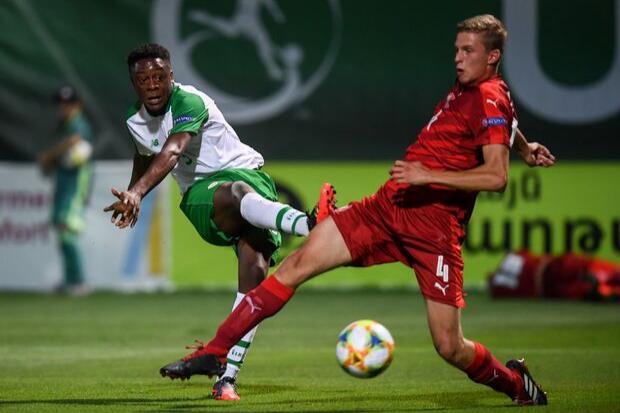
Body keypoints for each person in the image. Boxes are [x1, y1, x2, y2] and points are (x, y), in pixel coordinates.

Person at [158, 15, 557, 406]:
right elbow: (502, 124)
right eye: (456, 49)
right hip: (386, 208)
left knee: (449, 346)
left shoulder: (489, 94)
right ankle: (217, 351)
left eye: (468, 50)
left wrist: (424, 174)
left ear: (492, 57)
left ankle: (516, 385)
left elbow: (495, 177)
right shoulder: (474, 89)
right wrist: (523, 146)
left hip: (433, 230)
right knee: (294, 266)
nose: (457, 57)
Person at [103, 43, 335, 401]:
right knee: (235, 194)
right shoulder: (135, 120)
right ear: (133, 83)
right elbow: (147, 155)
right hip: (200, 195)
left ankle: (225, 377)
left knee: (254, 285)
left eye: (158, 76)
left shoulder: (189, 101)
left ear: (171, 76)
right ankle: (309, 225)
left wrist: (137, 192)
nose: (152, 84)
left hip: (251, 177)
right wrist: (136, 194)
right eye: (142, 78)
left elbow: (174, 149)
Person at [38, 85, 94, 296]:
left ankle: (78, 282)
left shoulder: (78, 124)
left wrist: (49, 156)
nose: (63, 107)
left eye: (67, 103)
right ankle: (71, 280)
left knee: (66, 230)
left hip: (74, 187)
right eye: (60, 104)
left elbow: (76, 143)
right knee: (61, 230)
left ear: (77, 105)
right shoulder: (64, 125)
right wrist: (52, 161)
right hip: (63, 185)